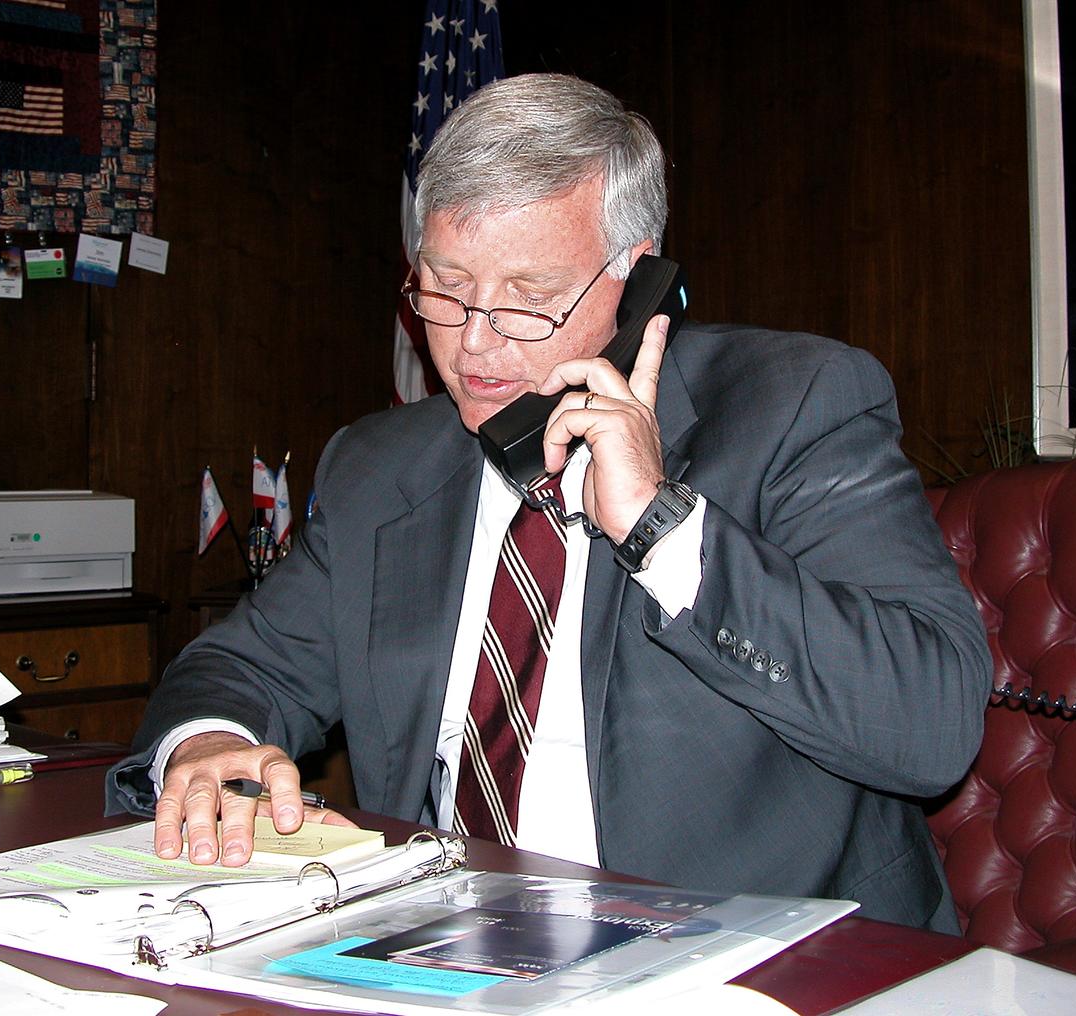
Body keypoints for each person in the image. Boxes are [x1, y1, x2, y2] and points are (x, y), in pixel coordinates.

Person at [107, 73, 990, 932]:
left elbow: (929, 725)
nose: (474, 345)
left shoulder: (794, 406)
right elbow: (245, 667)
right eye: (446, 289)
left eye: (529, 299)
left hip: (760, 962)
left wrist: (660, 525)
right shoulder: (382, 467)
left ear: (636, 278)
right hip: (445, 953)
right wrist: (207, 745)